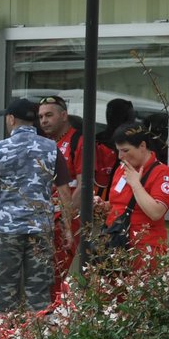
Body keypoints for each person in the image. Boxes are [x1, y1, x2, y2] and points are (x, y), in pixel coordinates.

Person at [0, 97, 74, 313]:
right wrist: (68, 230)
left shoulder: (0, 148)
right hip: (41, 229)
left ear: (11, 119)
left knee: (5, 291)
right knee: (39, 292)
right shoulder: (51, 148)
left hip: (8, 230)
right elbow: (65, 192)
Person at [37, 94, 116, 287]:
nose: (44, 121)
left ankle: (52, 316)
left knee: (56, 276)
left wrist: (65, 218)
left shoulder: (79, 141)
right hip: (46, 219)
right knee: (42, 276)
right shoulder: (46, 143)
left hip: (68, 220)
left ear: (64, 115)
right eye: (40, 117)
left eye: (49, 115)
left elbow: (84, 186)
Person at [103, 121, 169, 256]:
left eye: (125, 150)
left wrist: (136, 184)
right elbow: (119, 204)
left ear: (142, 146)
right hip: (117, 243)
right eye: (118, 151)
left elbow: (156, 212)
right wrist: (103, 206)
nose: (120, 156)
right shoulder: (122, 169)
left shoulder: (162, 173)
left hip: (144, 248)